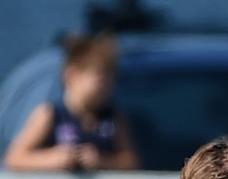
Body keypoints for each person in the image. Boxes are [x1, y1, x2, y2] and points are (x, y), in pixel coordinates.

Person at [3, 34, 138, 171]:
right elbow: (13, 159)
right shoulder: (49, 114)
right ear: (71, 76)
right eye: (100, 81)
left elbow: (131, 162)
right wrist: (52, 159)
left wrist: (102, 161)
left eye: (110, 81)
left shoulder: (113, 118)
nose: (106, 88)